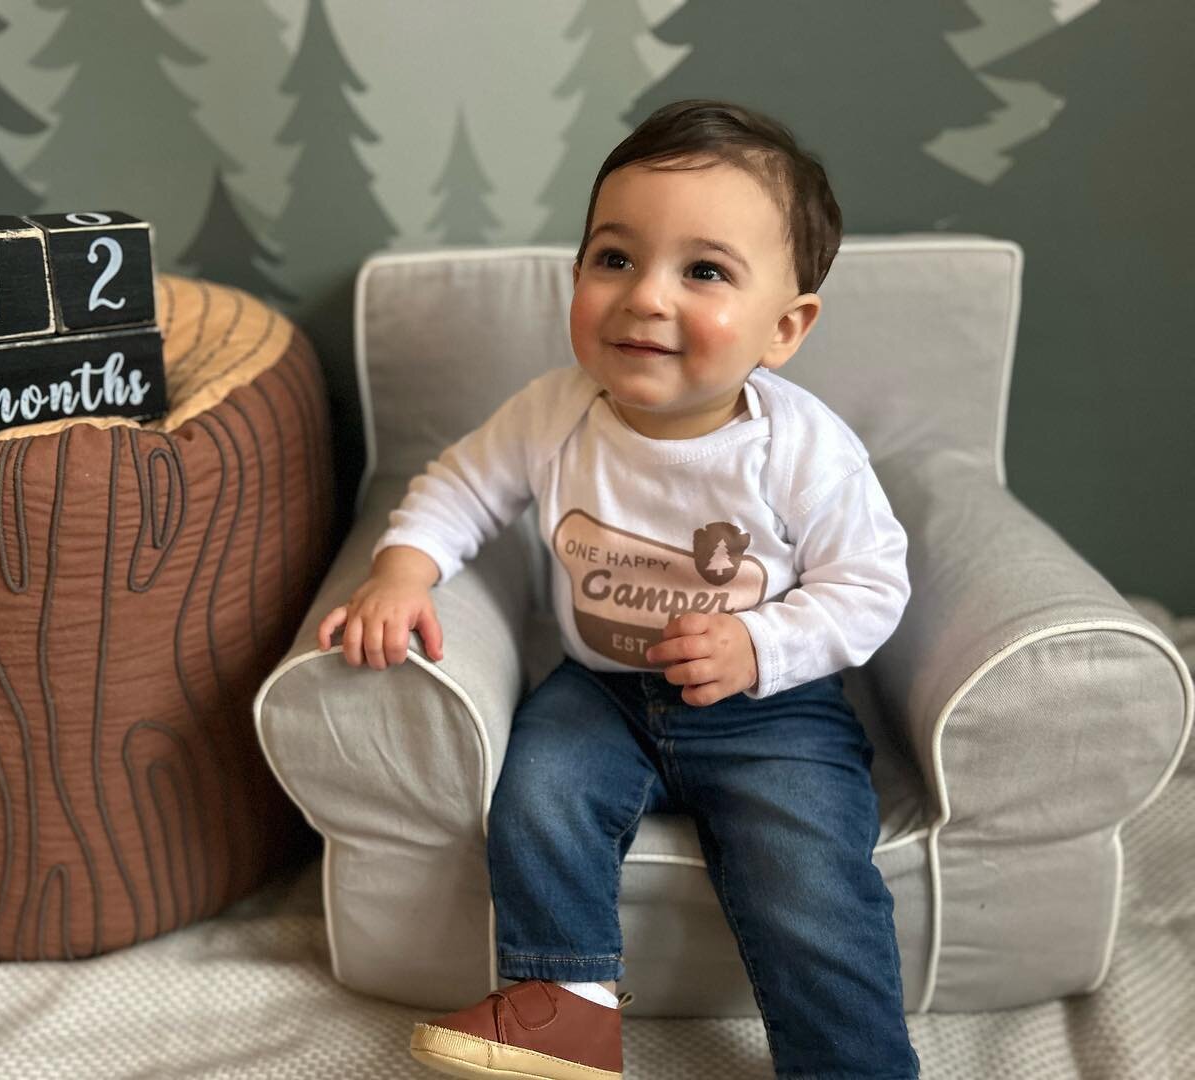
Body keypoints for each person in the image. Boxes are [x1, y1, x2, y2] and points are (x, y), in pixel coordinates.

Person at [317, 99, 920, 1080]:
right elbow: (461, 486)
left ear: (785, 327)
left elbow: (870, 585)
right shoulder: (555, 411)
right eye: (614, 259)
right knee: (539, 799)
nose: (646, 296)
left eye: (705, 271)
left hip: (772, 712)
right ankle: (564, 1019)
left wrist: (762, 645)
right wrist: (402, 570)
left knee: (811, 881)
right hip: (603, 691)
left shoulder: (800, 448)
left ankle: (853, 1065)